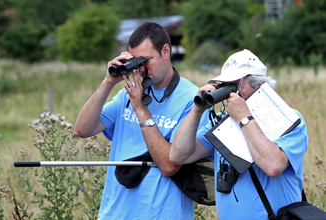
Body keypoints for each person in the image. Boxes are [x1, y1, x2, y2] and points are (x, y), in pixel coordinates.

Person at [74, 22, 209, 219]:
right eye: (136, 61)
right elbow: (81, 130)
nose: (142, 69)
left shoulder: (194, 101)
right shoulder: (127, 93)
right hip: (115, 213)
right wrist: (108, 83)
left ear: (165, 51)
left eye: (145, 60)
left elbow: (169, 166)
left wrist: (140, 109)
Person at [169, 49, 309, 220]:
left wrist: (244, 118)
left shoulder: (289, 119)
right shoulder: (225, 124)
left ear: (259, 84)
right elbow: (178, 155)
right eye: (224, 86)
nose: (229, 94)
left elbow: (273, 166)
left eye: (234, 86)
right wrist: (196, 111)